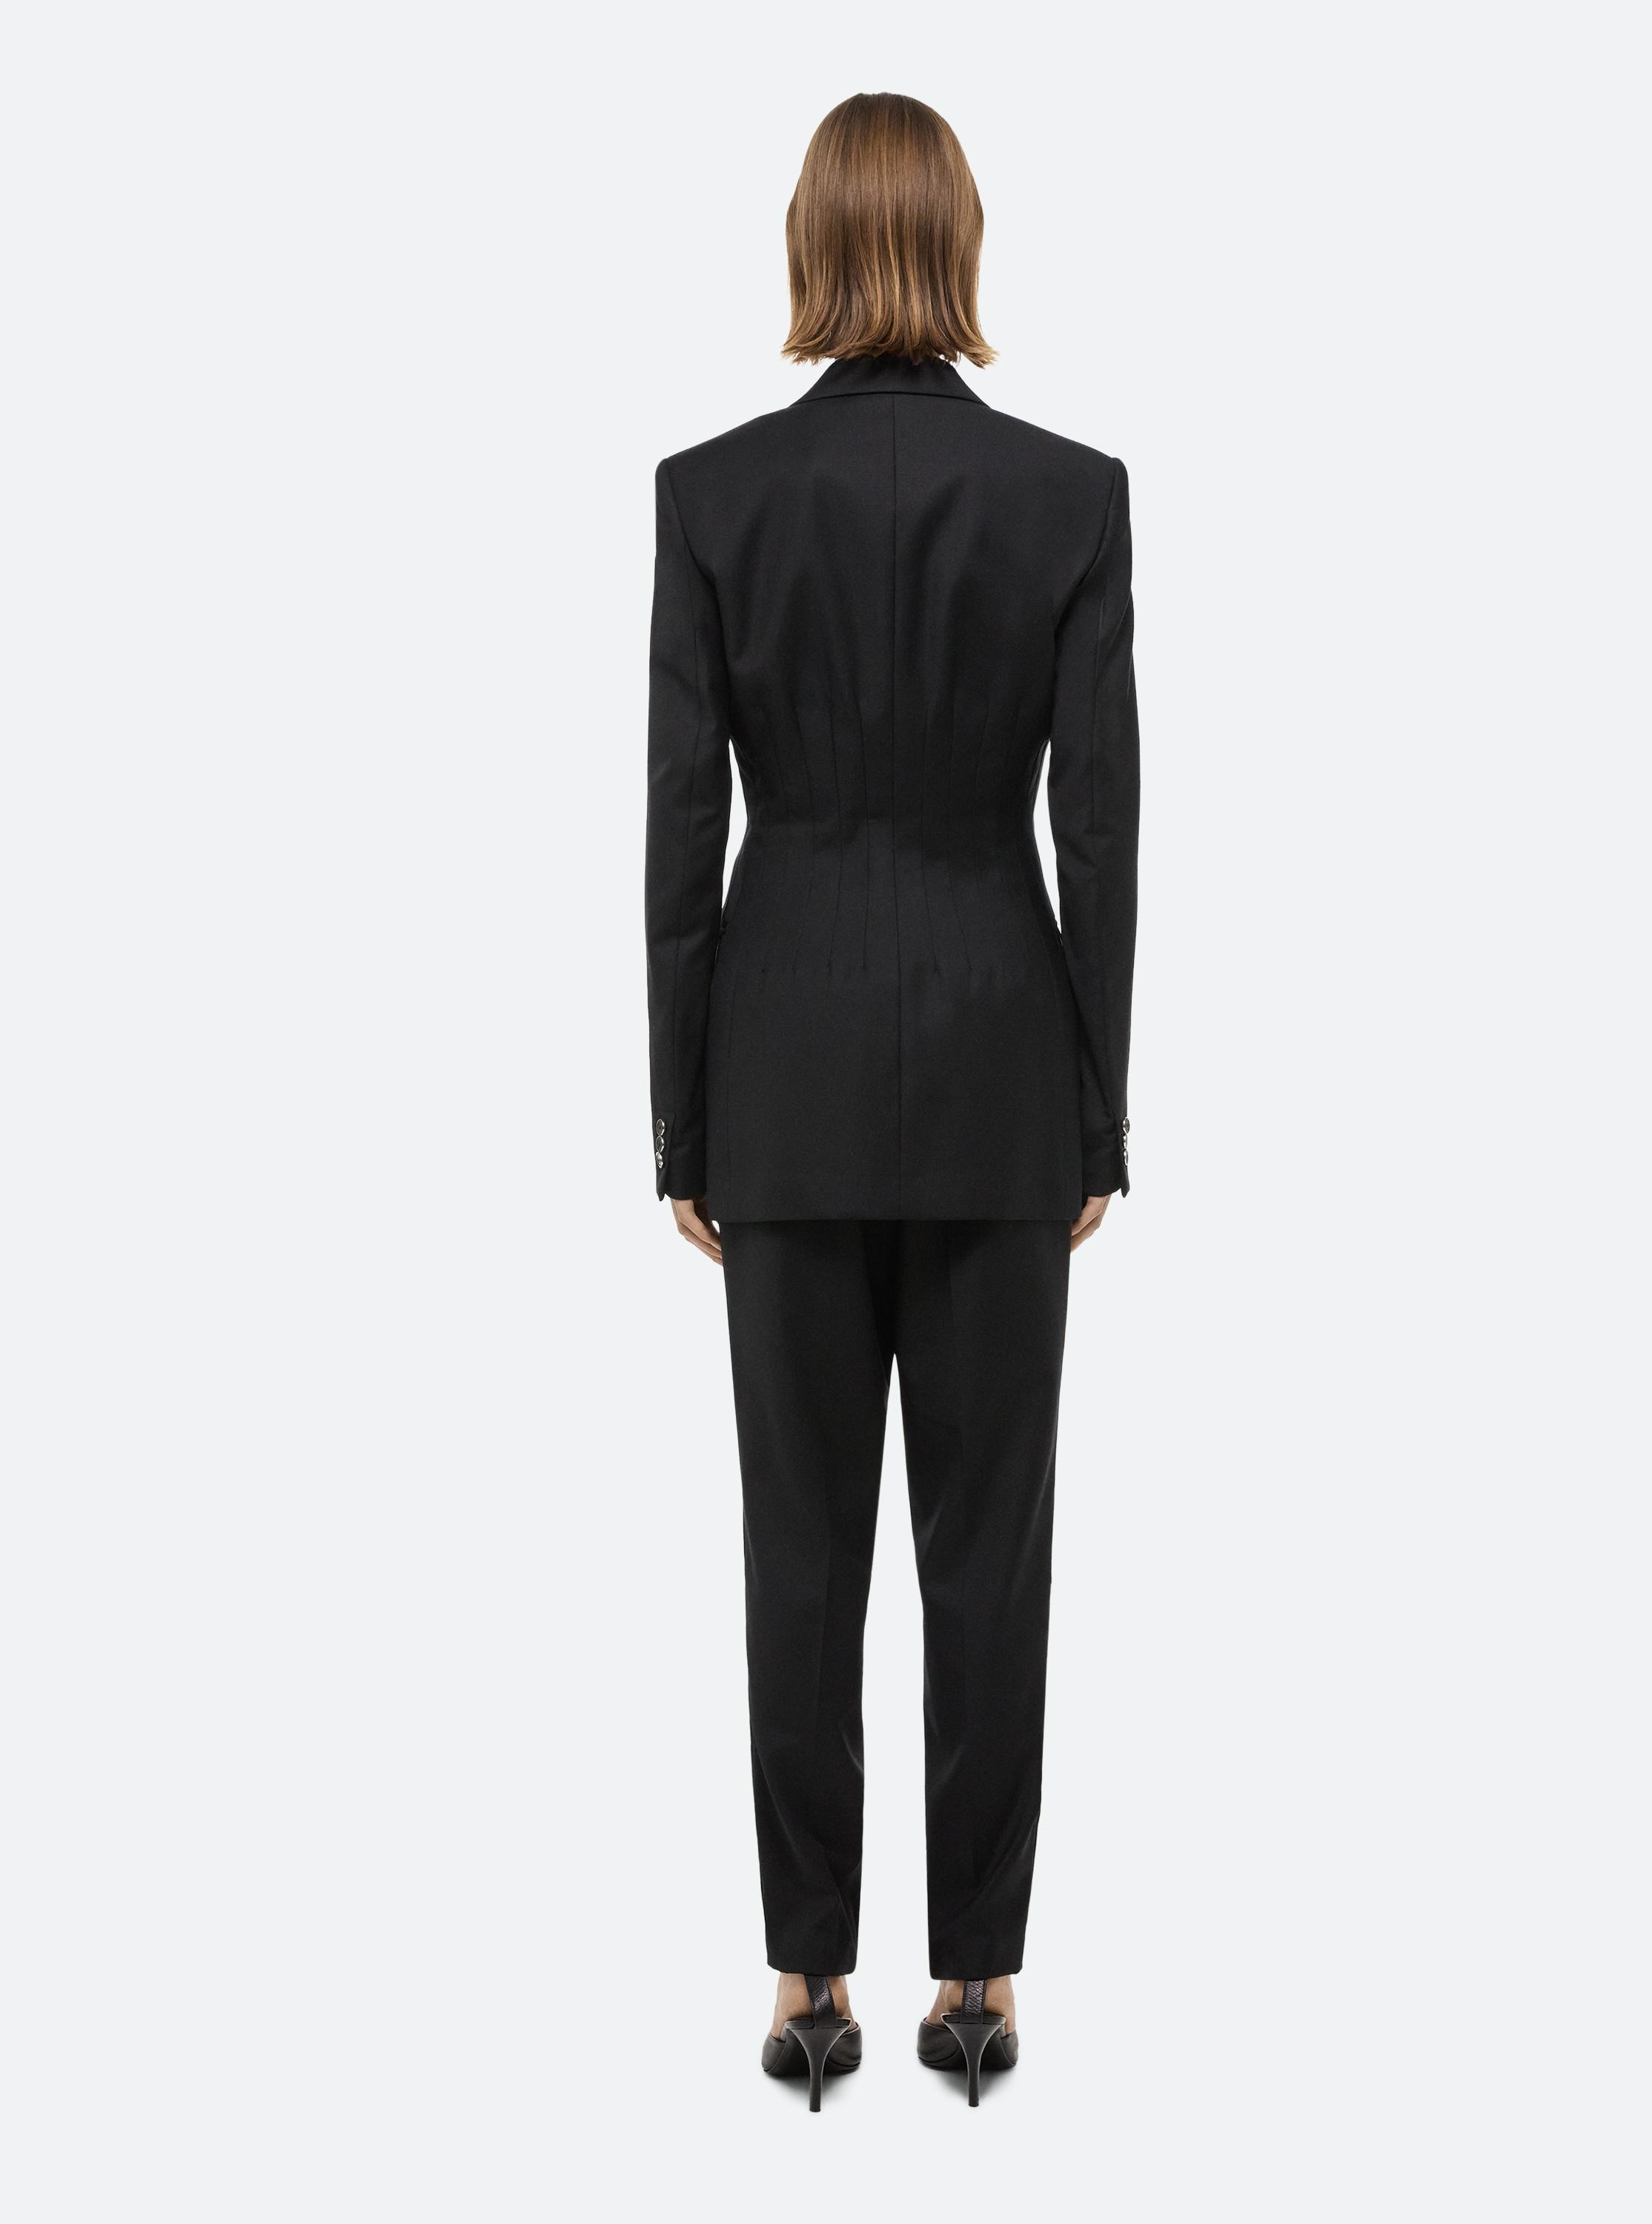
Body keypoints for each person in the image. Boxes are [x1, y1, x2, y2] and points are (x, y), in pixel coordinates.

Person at [643, 90, 1138, 2111]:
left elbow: (681, 836)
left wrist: (682, 1121)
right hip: (1007, 1073)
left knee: (799, 1552)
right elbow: (1100, 833)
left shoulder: (713, 497)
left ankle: (806, 1983)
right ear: (961, 241)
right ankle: (982, 1983)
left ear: (809, 243)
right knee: (990, 1552)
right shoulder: (1071, 497)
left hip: (779, 1080)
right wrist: (1097, 1109)